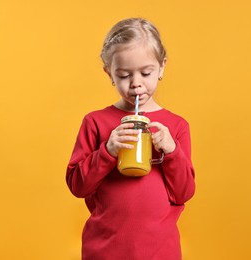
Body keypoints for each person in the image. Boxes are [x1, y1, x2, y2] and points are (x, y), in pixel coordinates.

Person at [66, 17, 195, 260]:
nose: (136, 84)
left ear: (162, 67)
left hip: (160, 252)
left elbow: (184, 193)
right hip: (105, 250)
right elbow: (77, 185)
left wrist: (172, 151)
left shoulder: (177, 126)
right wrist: (107, 151)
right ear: (109, 73)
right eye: (124, 75)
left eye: (146, 73)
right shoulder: (95, 122)